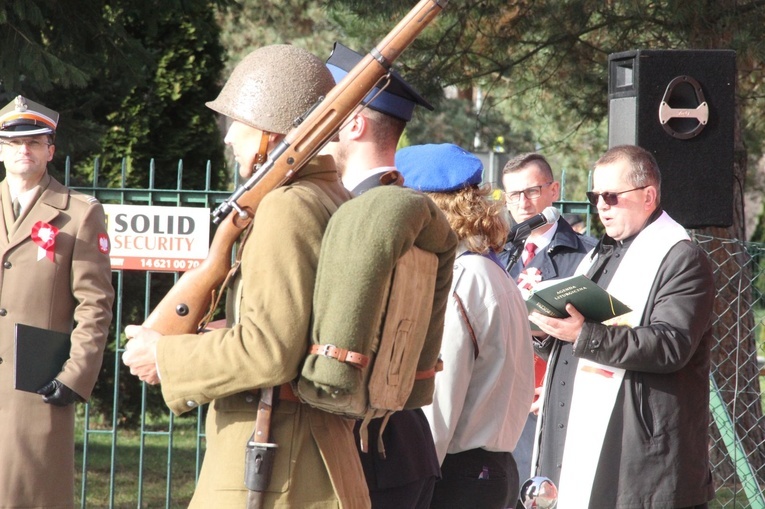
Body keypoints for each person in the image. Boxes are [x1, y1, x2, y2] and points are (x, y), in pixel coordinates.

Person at [121, 45, 370, 508]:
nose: (229, 138)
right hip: (300, 457)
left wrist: (167, 355)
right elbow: (299, 327)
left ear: (268, 132)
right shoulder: (331, 196)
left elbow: (270, 350)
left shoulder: (289, 207)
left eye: (238, 122)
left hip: (274, 465)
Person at [529, 144, 715, 508]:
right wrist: (543, 331)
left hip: (640, 461)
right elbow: (579, 332)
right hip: (577, 440)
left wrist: (583, 335)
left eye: (611, 196)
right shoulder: (602, 253)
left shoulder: (681, 257)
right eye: (594, 195)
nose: (600, 205)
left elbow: (671, 344)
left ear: (649, 195)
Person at [322, 42, 441, 509]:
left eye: (325, 116)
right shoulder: (406, 210)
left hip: (370, 449)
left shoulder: (365, 214)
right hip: (401, 448)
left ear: (353, 123)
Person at [396, 143, 535, 509]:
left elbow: (439, 400)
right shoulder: (487, 270)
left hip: (456, 477)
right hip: (490, 471)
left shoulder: (461, 278)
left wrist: (415, 487)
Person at [0, 96, 114, 507]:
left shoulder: (79, 214)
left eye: (33, 142)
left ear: (50, 150)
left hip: (33, 391)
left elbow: (95, 305)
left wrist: (75, 375)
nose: (23, 151)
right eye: (13, 143)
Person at [498, 153, 596, 484]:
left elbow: (604, 334)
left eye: (532, 191)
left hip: (553, 400)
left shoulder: (589, 256)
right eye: (513, 194)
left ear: (554, 190)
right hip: (498, 398)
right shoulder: (497, 254)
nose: (522, 203)